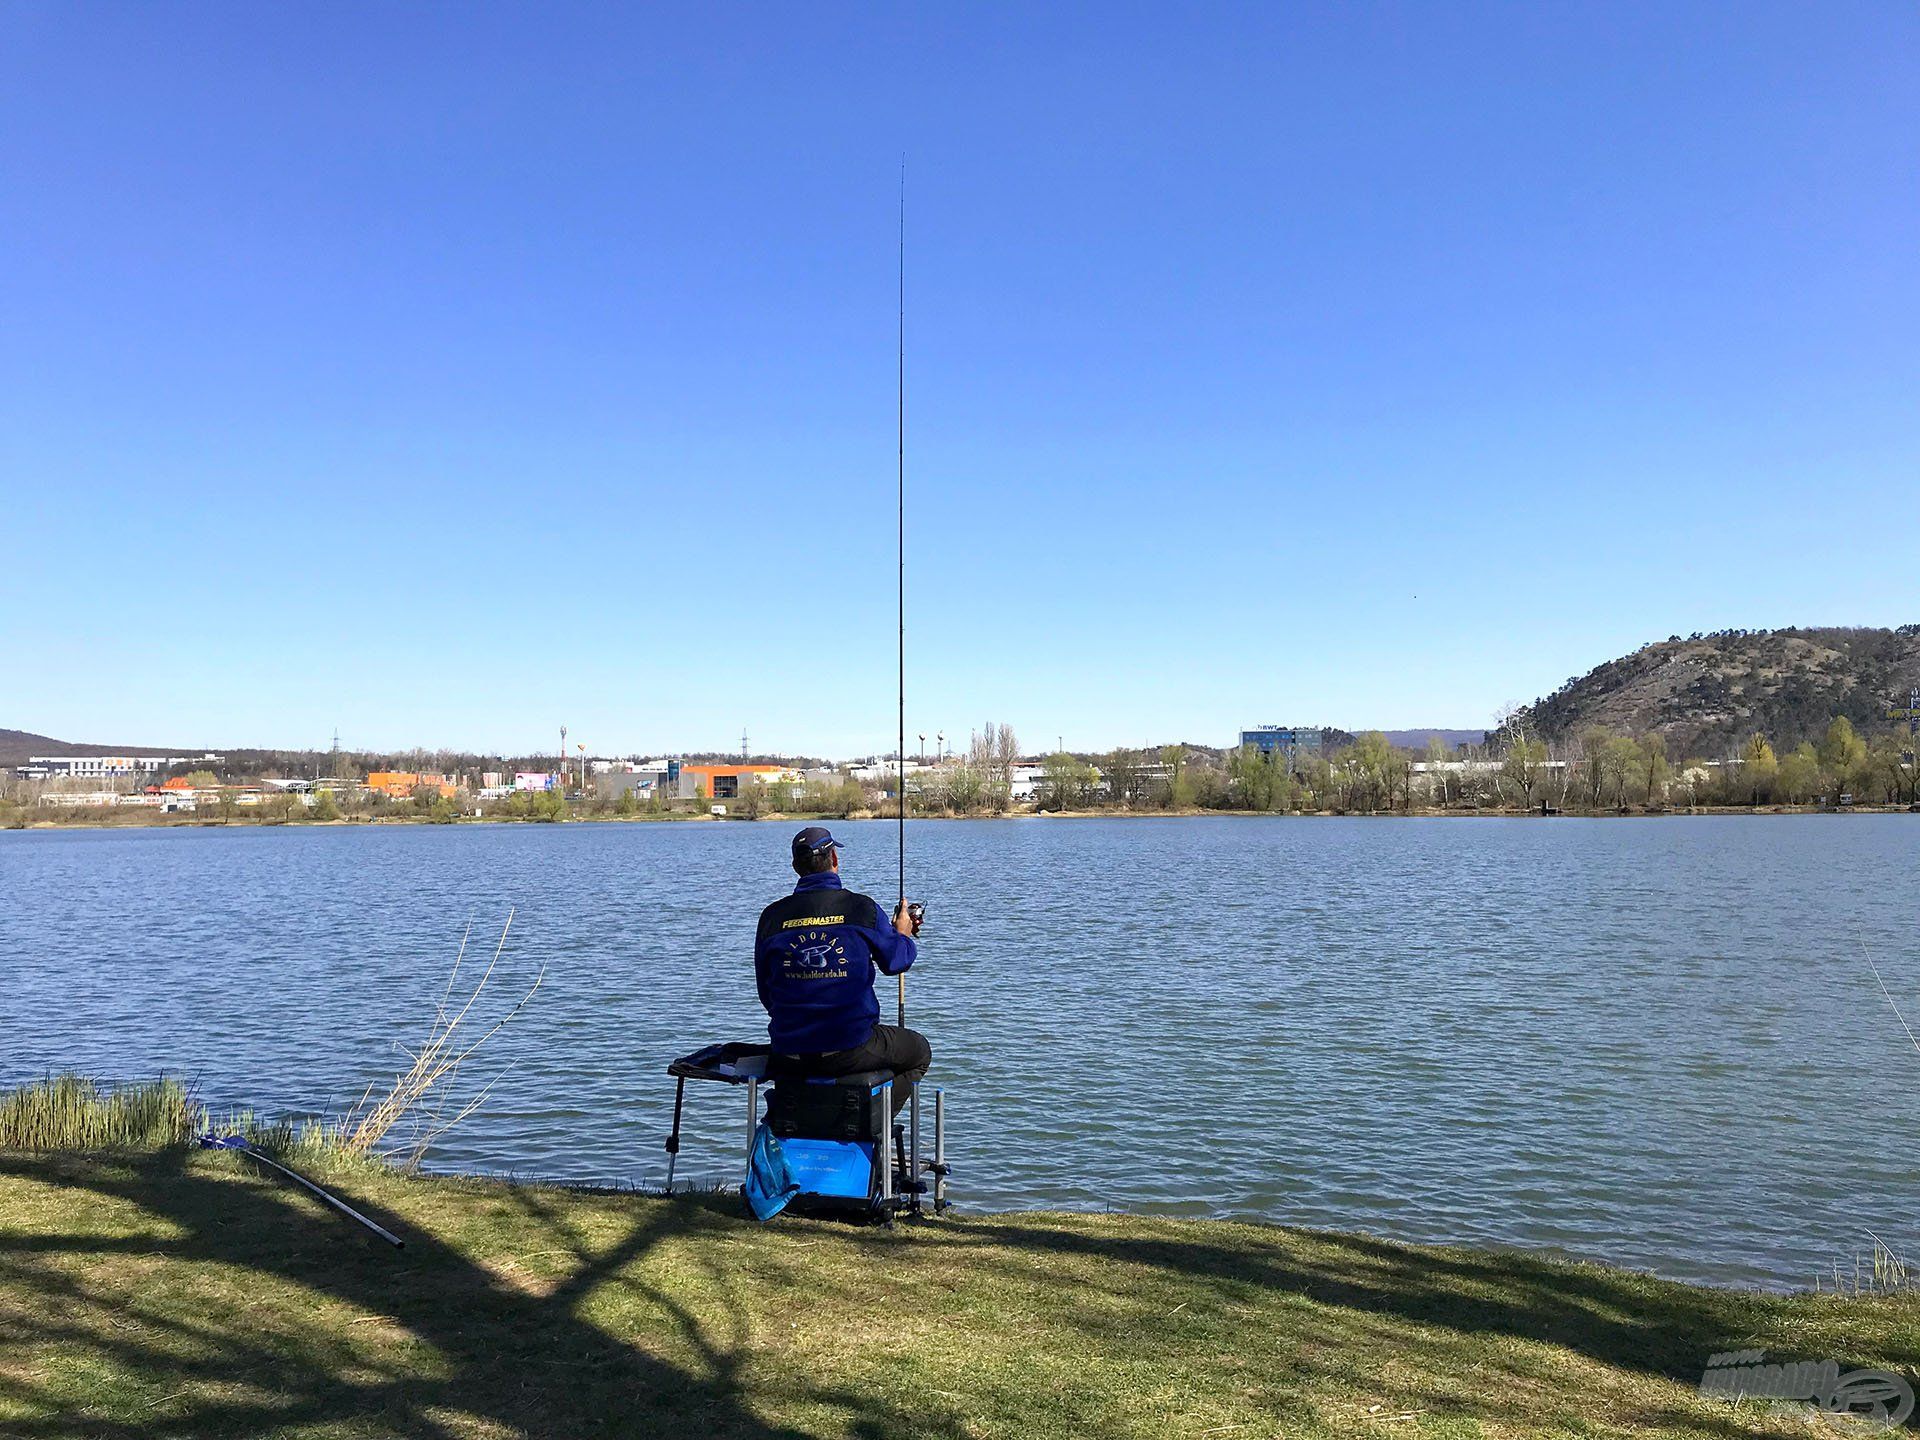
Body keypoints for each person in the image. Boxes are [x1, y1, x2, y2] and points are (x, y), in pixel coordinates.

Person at [755, 826, 929, 1104]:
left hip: (787, 1052)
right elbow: (897, 961)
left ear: (795, 867)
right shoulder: (861, 908)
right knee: (919, 1052)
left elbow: (766, 994)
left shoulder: (771, 918)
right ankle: (868, 1121)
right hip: (851, 1047)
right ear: (834, 859)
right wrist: (903, 934)